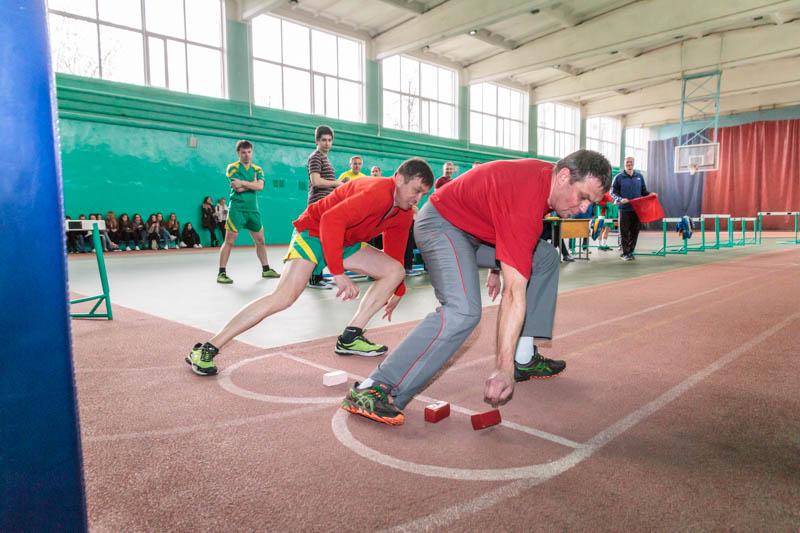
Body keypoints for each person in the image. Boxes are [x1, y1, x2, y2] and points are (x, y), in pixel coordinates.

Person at [340, 150, 612, 426]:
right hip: (441, 224)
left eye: (592, 201)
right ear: (563, 177)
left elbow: (497, 212)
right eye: (583, 198)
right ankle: (375, 388)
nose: (585, 209)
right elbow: (513, 293)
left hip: (475, 231)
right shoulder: (527, 198)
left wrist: (496, 269)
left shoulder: (549, 179)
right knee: (463, 311)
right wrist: (502, 369)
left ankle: (524, 357)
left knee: (545, 258)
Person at [185, 158, 434, 377]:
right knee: (283, 298)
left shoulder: (403, 212)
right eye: (416, 190)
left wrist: (397, 291)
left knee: (394, 270)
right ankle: (207, 348)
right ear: (399, 179)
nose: (417, 199)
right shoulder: (376, 191)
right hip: (314, 232)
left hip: (345, 241)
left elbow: (395, 254)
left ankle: (351, 336)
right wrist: (337, 273)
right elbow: (330, 220)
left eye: (423, 194)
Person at [217, 140, 280, 284]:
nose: (246, 155)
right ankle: (221, 273)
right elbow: (237, 188)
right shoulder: (232, 168)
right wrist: (253, 184)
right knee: (229, 241)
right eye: (243, 152)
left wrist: (244, 183)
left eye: (249, 152)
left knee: (260, 241)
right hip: (237, 210)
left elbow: (260, 187)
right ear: (238, 153)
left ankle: (266, 269)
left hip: (253, 211)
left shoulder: (257, 169)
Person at [306, 125, 341, 289]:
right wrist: (337, 183)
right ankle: (313, 278)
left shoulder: (324, 158)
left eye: (329, 140)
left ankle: (318, 275)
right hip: (318, 205)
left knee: (323, 241)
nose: (327, 143)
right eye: (323, 140)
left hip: (326, 205)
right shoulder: (315, 157)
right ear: (317, 141)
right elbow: (316, 182)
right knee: (318, 241)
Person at [610, 156, 655, 261]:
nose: (629, 164)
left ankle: (630, 251)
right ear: (624, 163)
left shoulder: (639, 176)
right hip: (624, 209)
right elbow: (612, 192)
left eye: (631, 162)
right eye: (627, 162)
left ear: (633, 163)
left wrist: (650, 194)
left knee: (635, 231)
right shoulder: (618, 177)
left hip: (637, 209)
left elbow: (644, 191)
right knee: (624, 231)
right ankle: (625, 253)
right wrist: (620, 199)